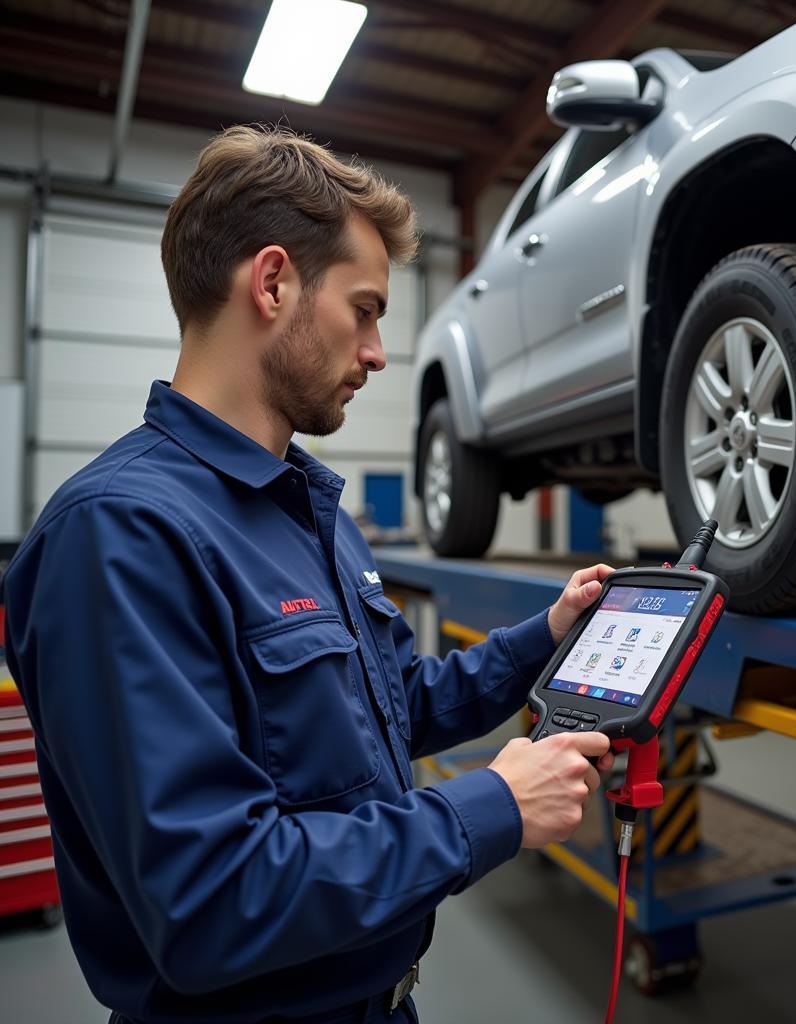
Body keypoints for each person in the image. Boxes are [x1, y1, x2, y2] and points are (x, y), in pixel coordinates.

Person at [0, 125, 614, 1024]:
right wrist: (491, 807)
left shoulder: (312, 512)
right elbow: (213, 900)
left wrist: (545, 637)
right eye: (364, 310)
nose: (376, 352)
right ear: (274, 281)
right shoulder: (121, 537)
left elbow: (392, 708)